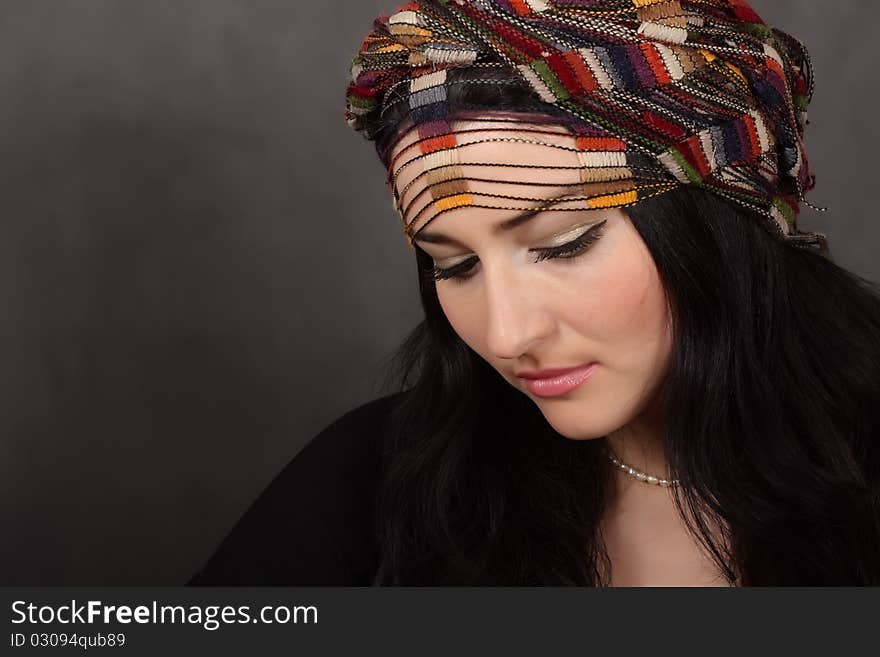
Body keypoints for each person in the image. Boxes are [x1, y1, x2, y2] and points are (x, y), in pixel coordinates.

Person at [190, 0, 880, 586]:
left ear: (722, 216)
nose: (506, 334)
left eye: (563, 244)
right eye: (452, 265)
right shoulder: (380, 479)